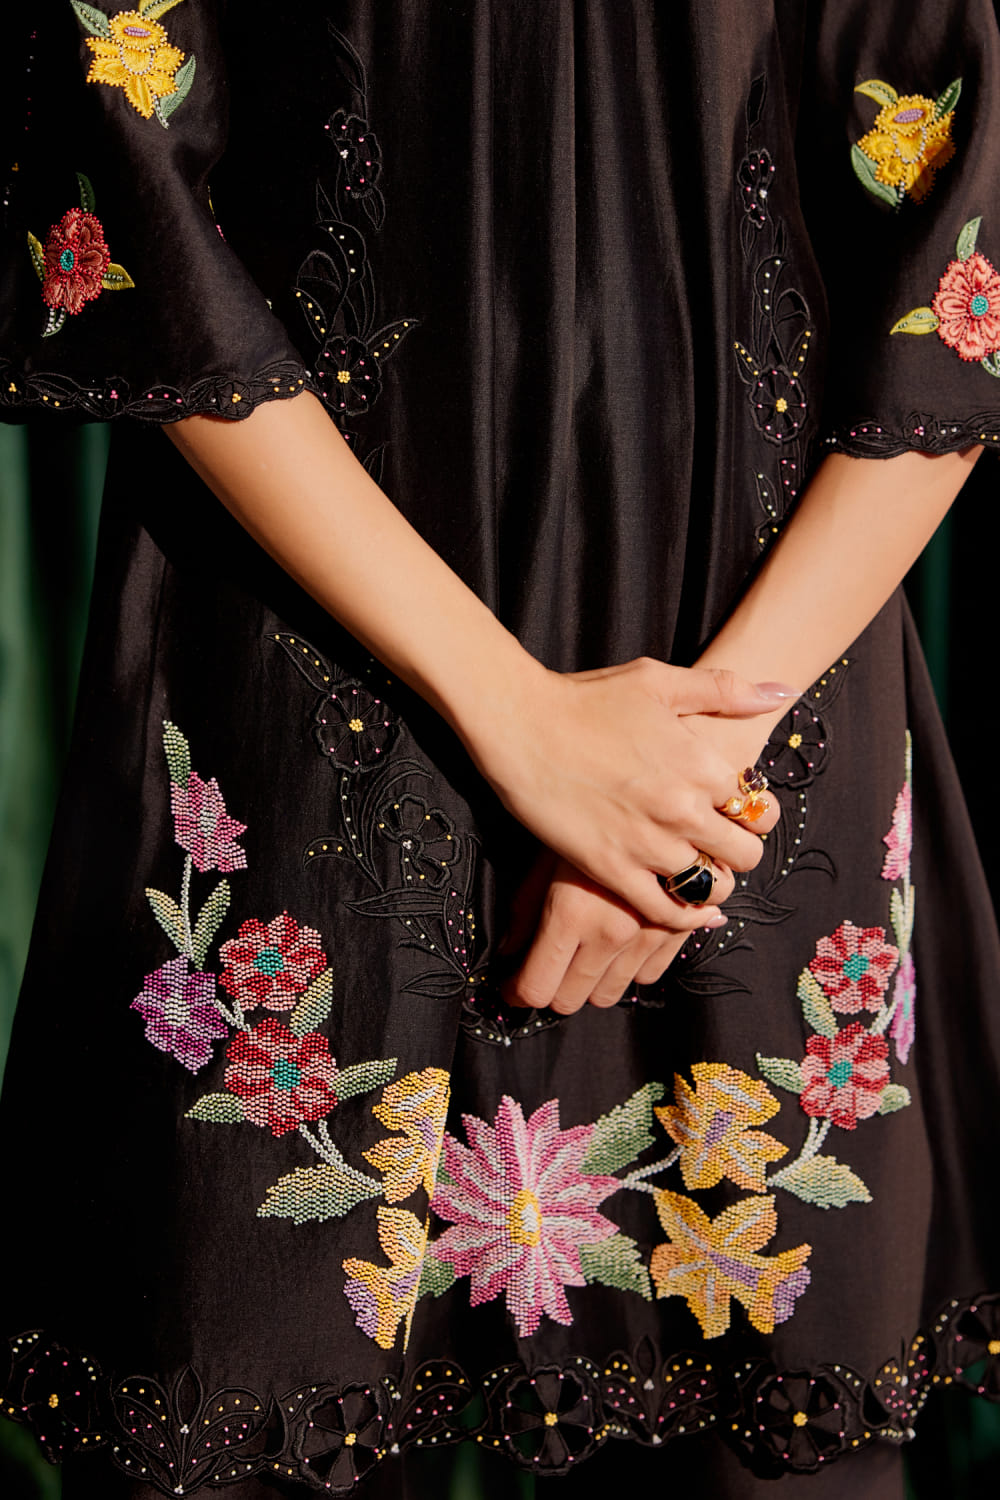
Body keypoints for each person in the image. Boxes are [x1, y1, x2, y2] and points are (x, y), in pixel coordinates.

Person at [1, 2, 998, 1497]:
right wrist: (539, 732)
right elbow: (125, 193)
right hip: (317, 703)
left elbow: (955, 272)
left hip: (754, 720)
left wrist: (678, 794)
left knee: (773, 1445)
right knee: (245, 1422)